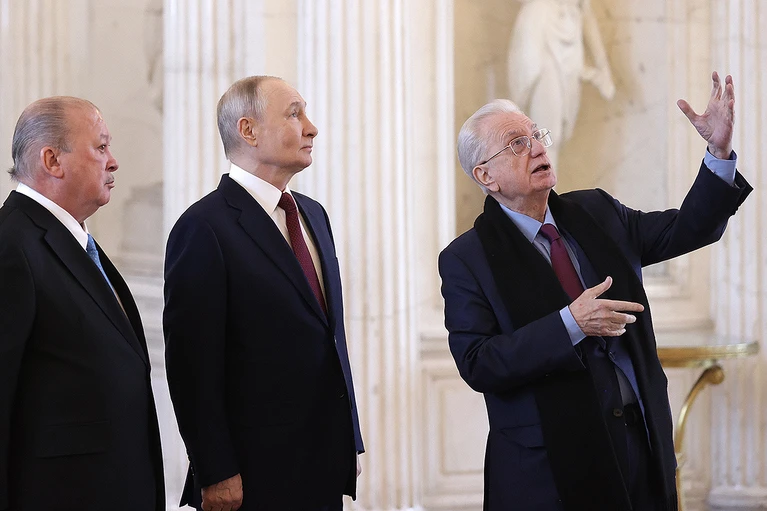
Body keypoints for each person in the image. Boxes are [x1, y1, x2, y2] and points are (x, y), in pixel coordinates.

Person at [439, 72, 751, 510]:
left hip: (640, 447)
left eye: (537, 135)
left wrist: (718, 153)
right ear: (485, 176)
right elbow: (479, 362)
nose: (539, 148)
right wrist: (570, 324)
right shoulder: (467, 259)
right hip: (550, 473)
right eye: (517, 144)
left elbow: (686, 228)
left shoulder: (596, 211)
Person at [163, 76, 364, 511]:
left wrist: (348, 437)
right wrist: (214, 468)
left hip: (322, 461)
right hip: (250, 476)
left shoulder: (313, 214)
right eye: (294, 114)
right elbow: (191, 365)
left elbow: (327, 337)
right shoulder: (203, 227)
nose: (311, 127)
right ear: (248, 130)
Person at [0, 97, 165, 510]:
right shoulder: (11, 246)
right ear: (52, 160)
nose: (114, 162)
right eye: (101, 147)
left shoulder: (73, 239)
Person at [507, 0, 615, 166]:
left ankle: (544, 178)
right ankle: (541, 179)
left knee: (559, 129)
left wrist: (603, 68)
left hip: (570, 38)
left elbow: (586, 14)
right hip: (541, 33)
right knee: (547, 131)